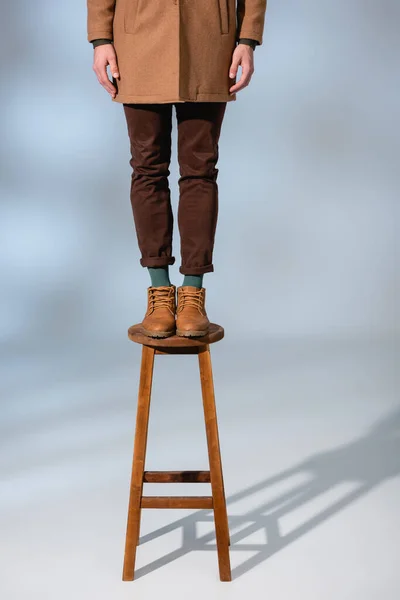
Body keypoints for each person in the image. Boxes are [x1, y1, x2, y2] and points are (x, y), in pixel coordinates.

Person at [87, 0, 267, 338]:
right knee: (147, 167)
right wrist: (100, 39)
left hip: (209, 38)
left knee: (200, 169)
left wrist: (247, 38)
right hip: (138, 37)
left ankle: (192, 294)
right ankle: (159, 293)